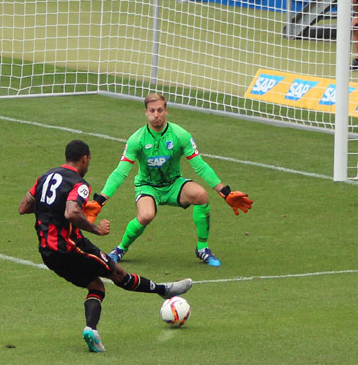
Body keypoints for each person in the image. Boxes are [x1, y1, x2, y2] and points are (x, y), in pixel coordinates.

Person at [18, 139, 192, 353]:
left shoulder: (44, 177)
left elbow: (24, 207)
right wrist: (96, 229)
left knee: (96, 286)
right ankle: (164, 290)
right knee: (119, 274)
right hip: (71, 246)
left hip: (47, 252)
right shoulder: (78, 183)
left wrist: (51, 208)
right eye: (89, 160)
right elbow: (71, 213)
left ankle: (91, 330)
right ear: (84, 158)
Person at [84, 93, 253, 268]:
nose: (156, 114)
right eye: (152, 111)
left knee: (201, 195)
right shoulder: (136, 139)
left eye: (159, 110)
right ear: (145, 113)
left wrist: (225, 193)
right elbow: (120, 172)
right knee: (146, 215)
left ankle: (202, 248)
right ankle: (120, 248)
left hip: (174, 184)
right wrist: (100, 201)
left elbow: (200, 166)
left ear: (166, 111)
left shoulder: (181, 135)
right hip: (147, 186)